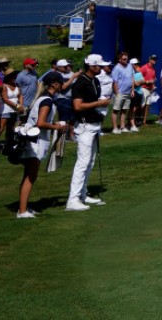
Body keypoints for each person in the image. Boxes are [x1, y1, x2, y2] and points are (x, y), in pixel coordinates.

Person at [17, 72, 68, 219]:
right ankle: (22, 212)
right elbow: (40, 123)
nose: (62, 85)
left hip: (33, 141)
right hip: (36, 142)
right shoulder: (47, 101)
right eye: (60, 82)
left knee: (28, 175)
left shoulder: (43, 99)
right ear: (54, 84)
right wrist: (57, 127)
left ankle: (23, 207)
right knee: (31, 176)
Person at [67, 53, 111, 211]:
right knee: (82, 163)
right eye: (99, 65)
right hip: (84, 127)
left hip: (94, 125)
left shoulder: (96, 81)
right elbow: (77, 106)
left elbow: (91, 103)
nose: (102, 67)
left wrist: (99, 107)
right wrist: (99, 103)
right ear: (91, 66)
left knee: (90, 162)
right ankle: (72, 200)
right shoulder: (80, 83)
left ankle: (83, 194)